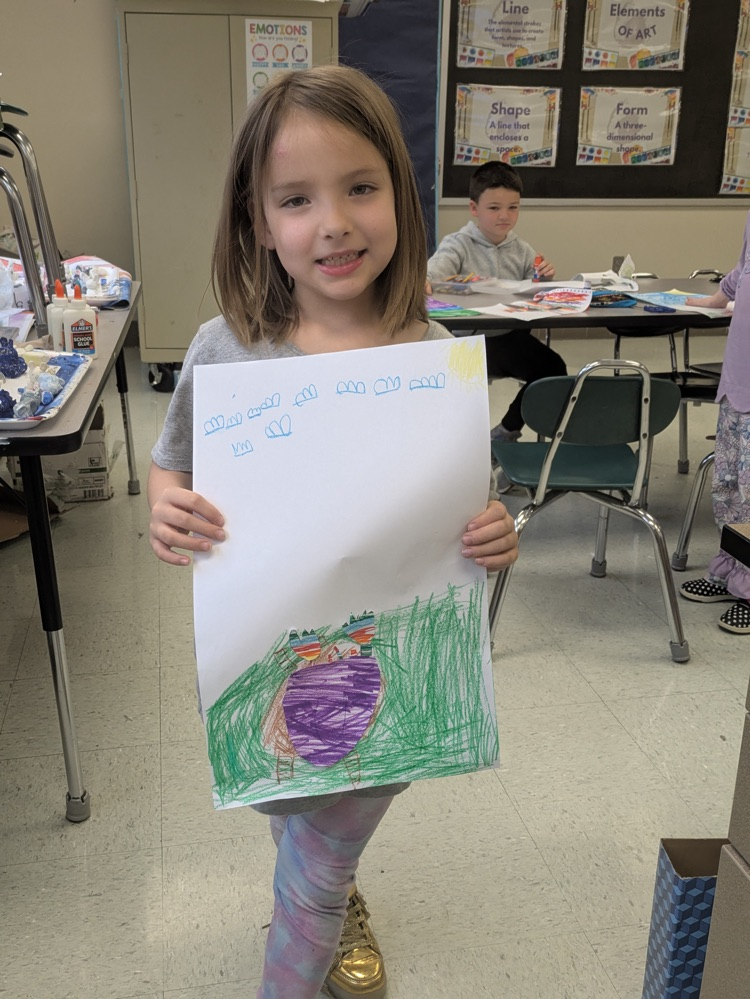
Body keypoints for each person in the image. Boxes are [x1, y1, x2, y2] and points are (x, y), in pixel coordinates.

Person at [147, 65, 519, 999]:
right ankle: (329, 880)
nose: (335, 223)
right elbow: (172, 464)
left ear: (400, 193)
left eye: (361, 187)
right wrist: (166, 506)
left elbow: (467, 508)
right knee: (292, 807)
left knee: (314, 870)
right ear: (257, 220)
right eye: (297, 199)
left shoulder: (435, 359)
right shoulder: (225, 348)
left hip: (383, 681)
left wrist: (494, 532)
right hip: (264, 660)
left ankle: (316, 913)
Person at [426, 160, 567, 446]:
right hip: (465, 340)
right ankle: (455, 445)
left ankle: (505, 432)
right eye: (494, 208)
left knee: (553, 369)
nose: (505, 216)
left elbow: (532, 289)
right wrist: (425, 280)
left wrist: (541, 278)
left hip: (508, 337)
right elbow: (432, 274)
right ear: (474, 208)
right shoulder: (458, 244)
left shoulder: (522, 249)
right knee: (453, 386)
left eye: (513, 207)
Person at [679, 216, 750, 635]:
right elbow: (744, 267)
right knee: (729, 486)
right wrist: (718, 297)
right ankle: (734, 570)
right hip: (739, 379)